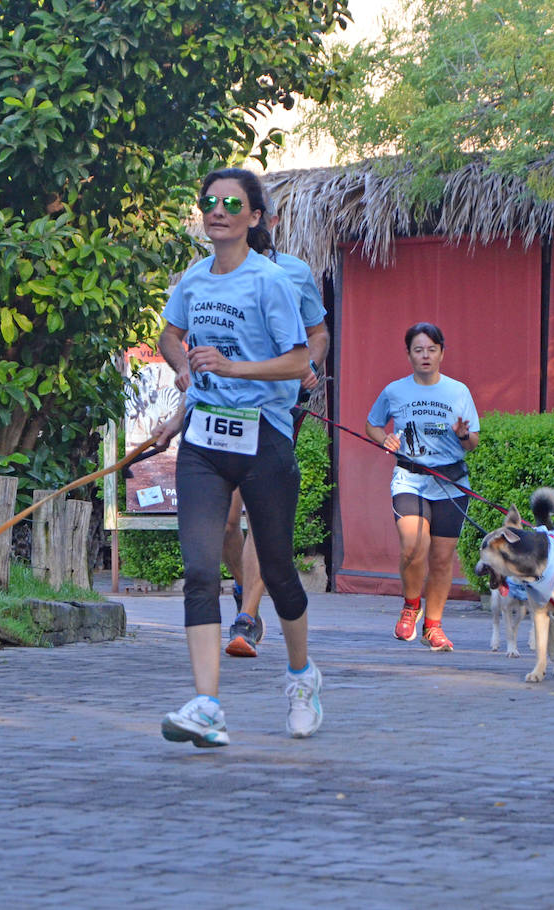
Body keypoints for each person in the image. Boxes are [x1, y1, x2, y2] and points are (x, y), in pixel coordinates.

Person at [152, 166, 323, 747]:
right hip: (203, 440)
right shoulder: (194, 280)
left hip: (264, 437)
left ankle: (302, 678)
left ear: (253, 217)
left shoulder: (270, 282)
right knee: (199, 572)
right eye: (208, 202)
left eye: (230, 202)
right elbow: (170, 335)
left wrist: (233, 368)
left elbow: (299, 362)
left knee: (276, 569)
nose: (216, 210)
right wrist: (182, 367)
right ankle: (207, 705)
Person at [222, 188, 330, 659]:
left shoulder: (295, 272)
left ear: (268, 218)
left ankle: (246, 615)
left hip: (276, 408)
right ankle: (251, 592)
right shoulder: (212, 272)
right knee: (226, 523)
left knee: (260, 512)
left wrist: (311, 366)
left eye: (249, 211)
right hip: (223, 408)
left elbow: (317, 333)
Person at [365, 322, 480, 652]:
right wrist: (384, 438)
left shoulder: (458, 392)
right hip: (409, 478)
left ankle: (433, 626)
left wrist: (462, 434)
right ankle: (410, 606)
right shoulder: (394, 391)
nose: (425, 356)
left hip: (450, 483)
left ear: (442, 353)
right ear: (409, 355)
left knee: (442, 560)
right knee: (413, 546)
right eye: (418, 350)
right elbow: (372, 424)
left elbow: (473, 442)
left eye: (431, 349)